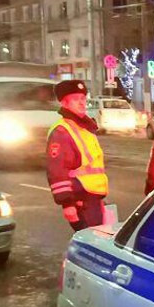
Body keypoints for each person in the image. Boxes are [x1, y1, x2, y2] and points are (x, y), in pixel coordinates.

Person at [46, 80, 109, 231]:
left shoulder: (84, 128)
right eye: (76, 99)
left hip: (93, 198)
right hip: (80, 200)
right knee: (92, 245)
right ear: (64, 103)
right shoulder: (62, 131)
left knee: (99, 241)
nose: (81, 103)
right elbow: (57, 169)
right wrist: (68, 204)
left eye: (83, 99)